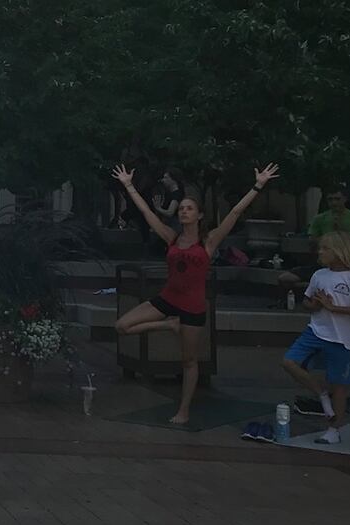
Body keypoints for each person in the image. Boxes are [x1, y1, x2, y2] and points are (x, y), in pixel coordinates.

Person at [113, 161, 278, 425]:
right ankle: (169, 325)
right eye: (181, 209)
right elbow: (147, 214)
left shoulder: (209, 241)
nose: (183, 212)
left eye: (189, 209)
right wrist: (129, 186)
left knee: (189, 361)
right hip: (167, 299)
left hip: (192, 307)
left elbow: (235, 213)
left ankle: (184, 410)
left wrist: (258, 185)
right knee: (122, 326)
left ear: (199, 215)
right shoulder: (171, 237)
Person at [279, 232, 350, 445]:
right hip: (316, 330)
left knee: (339, 384)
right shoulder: (319, 275)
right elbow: (307, 302)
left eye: (325, 249)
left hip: (340, 338)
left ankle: (333, 429)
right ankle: (320, 392)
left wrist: (334, 308)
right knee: (289, 361)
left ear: (339, 251)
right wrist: (316, 305)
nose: (320, 252)